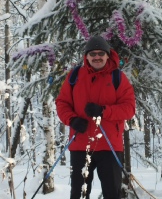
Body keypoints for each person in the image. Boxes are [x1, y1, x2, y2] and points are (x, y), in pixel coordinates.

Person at [55, 35, 136, 199]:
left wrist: (104, 111)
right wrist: (72, 120)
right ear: (86, 56)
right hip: (80, 145)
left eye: (100, 53)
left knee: (112, 193)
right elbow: (62, 103)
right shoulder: (75, 75)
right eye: (92, 54)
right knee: (78, 194)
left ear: (107, 55)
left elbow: (129, 109)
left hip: (109, 147)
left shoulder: (118, 78)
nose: (97, 57)